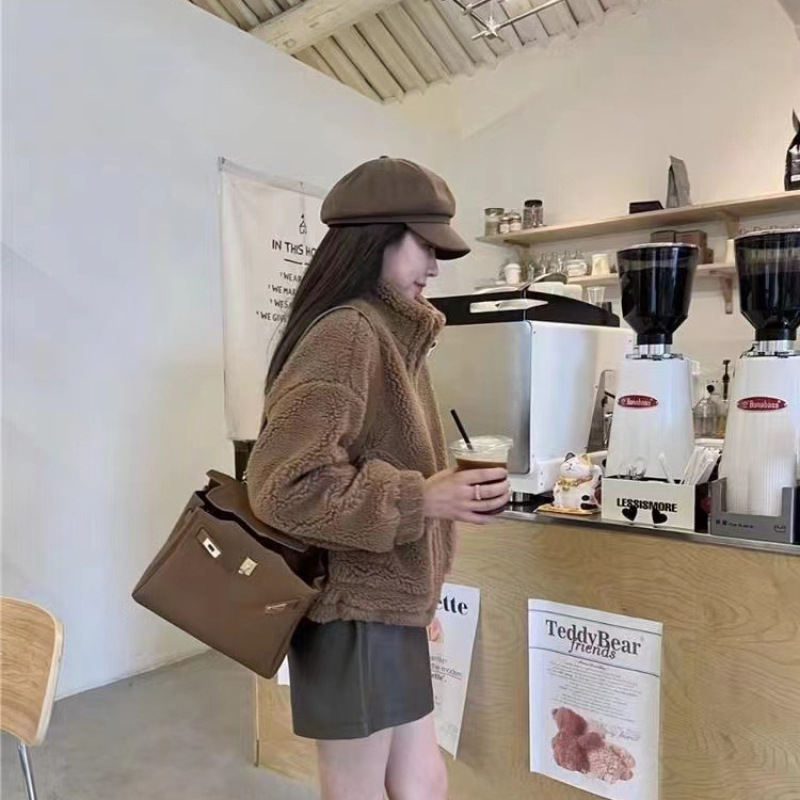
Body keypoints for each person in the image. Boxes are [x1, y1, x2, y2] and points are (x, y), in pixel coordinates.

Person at [247, 157, 510, 800]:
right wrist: (424, 498)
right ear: (376, 239)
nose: (435, 267)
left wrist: (422, 587)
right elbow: (283, 487)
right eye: (426, 246)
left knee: (423, 779)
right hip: (350, 614)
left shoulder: (394, 334)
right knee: (359, 788)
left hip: (387, 605)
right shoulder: (347, 333)